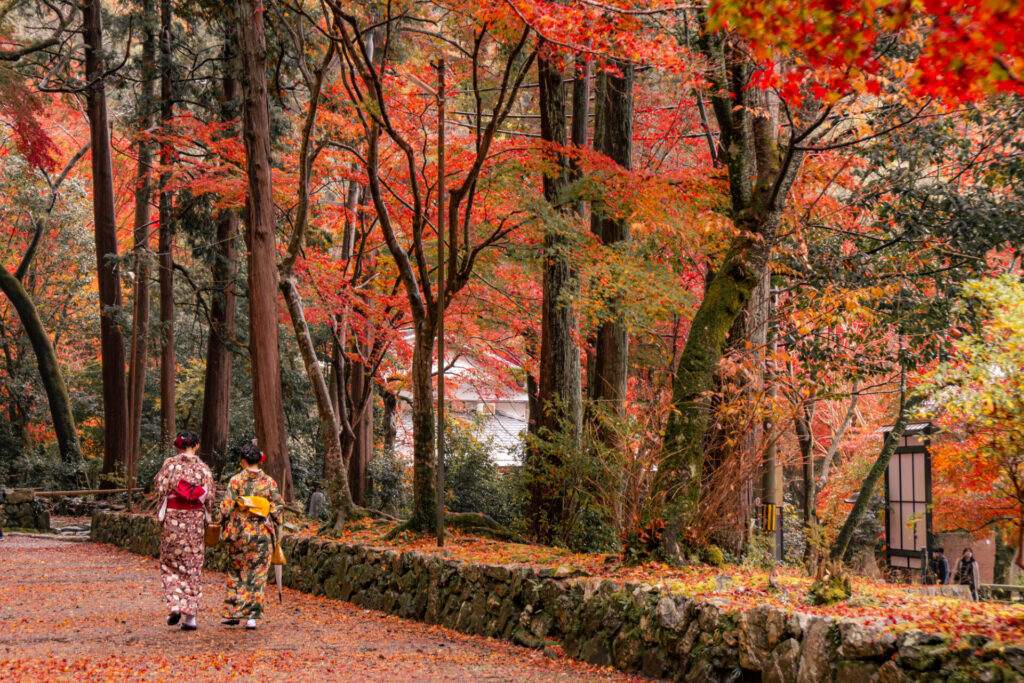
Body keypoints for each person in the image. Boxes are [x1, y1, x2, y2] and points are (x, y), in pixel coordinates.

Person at [153, 430, 215, 630]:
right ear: (196, 446)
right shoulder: (203, 469)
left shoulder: (170, 465)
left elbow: (160, 487)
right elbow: (210, 496)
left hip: (174, 520)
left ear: (178, 446)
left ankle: (175, 605)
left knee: (171, 564)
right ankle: (190, 618)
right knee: (193, 566)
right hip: (195, 522)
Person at [219, 442, 282, 630]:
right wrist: (274, 519)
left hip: (239, 533)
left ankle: (234, 612)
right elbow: (277, 508)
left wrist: (221, 520)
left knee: (237, 572)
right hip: (261, 533)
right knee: (258, 575)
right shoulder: (269, 482)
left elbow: (225, 507)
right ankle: (252, 617)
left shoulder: (236, 481)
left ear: (244, 461)